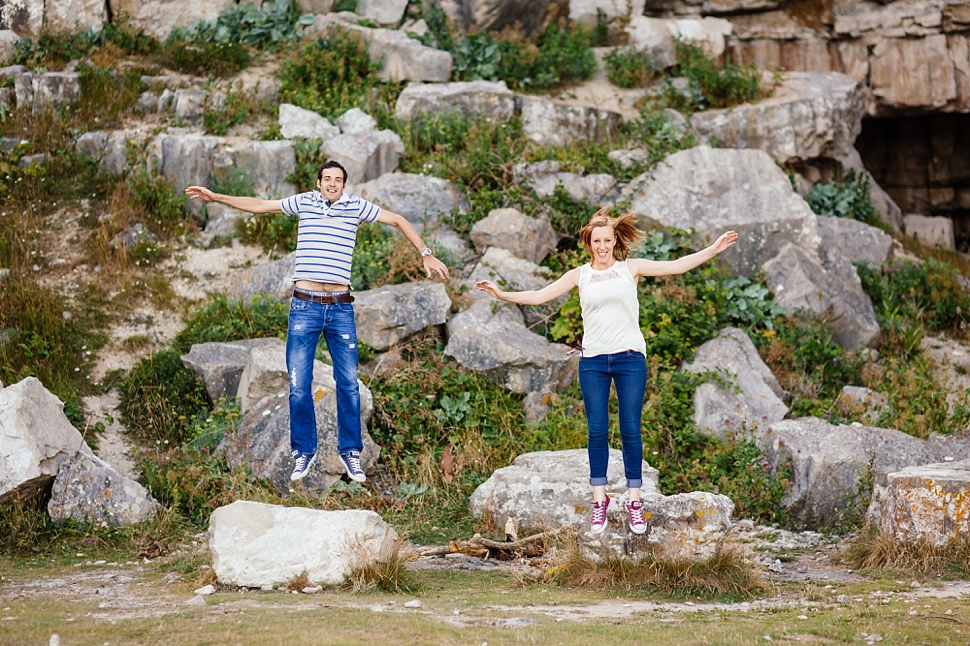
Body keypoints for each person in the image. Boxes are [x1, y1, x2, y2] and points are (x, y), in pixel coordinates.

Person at [186, 160, 450, 483]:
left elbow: (397, 220)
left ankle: (350, 451)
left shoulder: (355, 208)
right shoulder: (304, 202)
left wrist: (425, 253)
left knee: (349, 383)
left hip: (340, 309)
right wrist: (217, 198)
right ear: (319, 182)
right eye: (327, 179)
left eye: (338, 180)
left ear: (344, 185)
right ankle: (303, 451)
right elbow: (260, 206)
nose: (332, 184)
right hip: (305, 306)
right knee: (298, 384)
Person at [476, 209, 737, 534]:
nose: (602, 246)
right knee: (597, 430)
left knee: (630, 428)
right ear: (589, 243)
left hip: (629, 359)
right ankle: (600, 500)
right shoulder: (579, 275)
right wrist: (502, 294)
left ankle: (634, 501)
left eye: (607, 240)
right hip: (594, 361)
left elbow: (676, 266)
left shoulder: (632, 269)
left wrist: (712, 249)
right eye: (597, 241)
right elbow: (539, 296)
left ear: (615, 241)